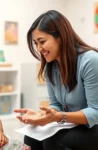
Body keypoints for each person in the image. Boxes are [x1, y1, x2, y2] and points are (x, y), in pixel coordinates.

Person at [14, 10, 98, 150]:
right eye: (35, 43)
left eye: (42, 41)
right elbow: (56, 104)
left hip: (94, 125)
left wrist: (59, 116)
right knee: (31, 136)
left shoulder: (90, 60)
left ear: (60, 37)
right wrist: (42, 115)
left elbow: (95, 111)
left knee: (54, 141)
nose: (39, 48)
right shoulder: (50, 66)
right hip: (74, 124)